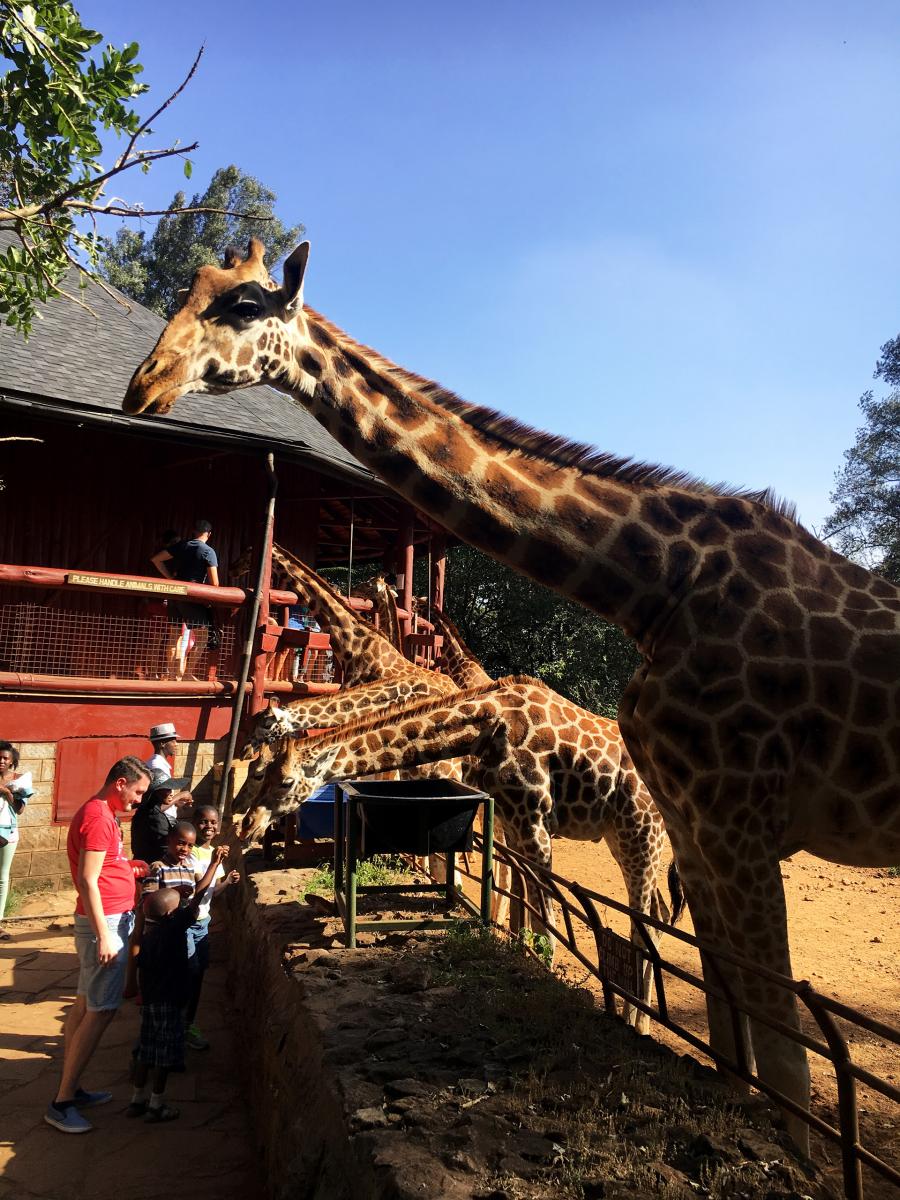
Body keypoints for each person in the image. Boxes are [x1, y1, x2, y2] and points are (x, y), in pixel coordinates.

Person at [46, 756, 150, 1135]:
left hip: (106, 918)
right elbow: (88, 880)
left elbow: (103, 868)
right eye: (138, 792)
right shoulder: (98, 818)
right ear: (120, 783)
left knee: (85, 1003)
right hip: (103, 922)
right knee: (102, 1009)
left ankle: (72, 1087)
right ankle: (61, 1102)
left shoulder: (103, 813)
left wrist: (130, 867)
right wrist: (106, 934)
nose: (139, 800)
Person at [125, 866, 222, 1125]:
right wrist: (214, 863)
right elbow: (199, 896)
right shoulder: (174, 930)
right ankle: (157, 1104)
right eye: (178, 905)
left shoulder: (148, 937)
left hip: (151, 1003)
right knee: (165, 1056)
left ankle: (136, 1099)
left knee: (146, 1051)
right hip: (170, 1003)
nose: (183, 905)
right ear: (171, 914)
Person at [184, 806, 239, 1050]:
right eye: (204, 822)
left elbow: (212, 891)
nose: (209, 827)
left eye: (213, 823)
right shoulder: (191, 852)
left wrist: (227, 880)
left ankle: (188, 1024)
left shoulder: (213, 854)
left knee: (197, 977)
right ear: (195, 823)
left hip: (203, 923)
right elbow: (197, 889)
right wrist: (215, 864)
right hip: (187, 922)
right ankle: (179, 1025)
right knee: (188, 973)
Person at [151, 519, 220, 680]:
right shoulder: (208, 551)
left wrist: (170, 578)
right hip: (193, 597)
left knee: (174, 635)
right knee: (203, 637)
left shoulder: (182, 545)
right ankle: (187, 674)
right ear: (209, 534)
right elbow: (215, 583)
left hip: (175, 596)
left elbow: (156, 559)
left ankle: (174, 675)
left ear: (194, 531)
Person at [0, 741, 33, 940]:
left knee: (2, 878)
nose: (1, 761)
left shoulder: (19, 780)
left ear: (12, 761)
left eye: (5, 758)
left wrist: (7, 793)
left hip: (8, 834)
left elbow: (20, 810)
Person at [129, 771, 190, 865]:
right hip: (152, 870)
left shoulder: (144, 811)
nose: (171, 793)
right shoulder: (156, 818)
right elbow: (165, 848)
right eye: (167, 789)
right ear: (156, 793)